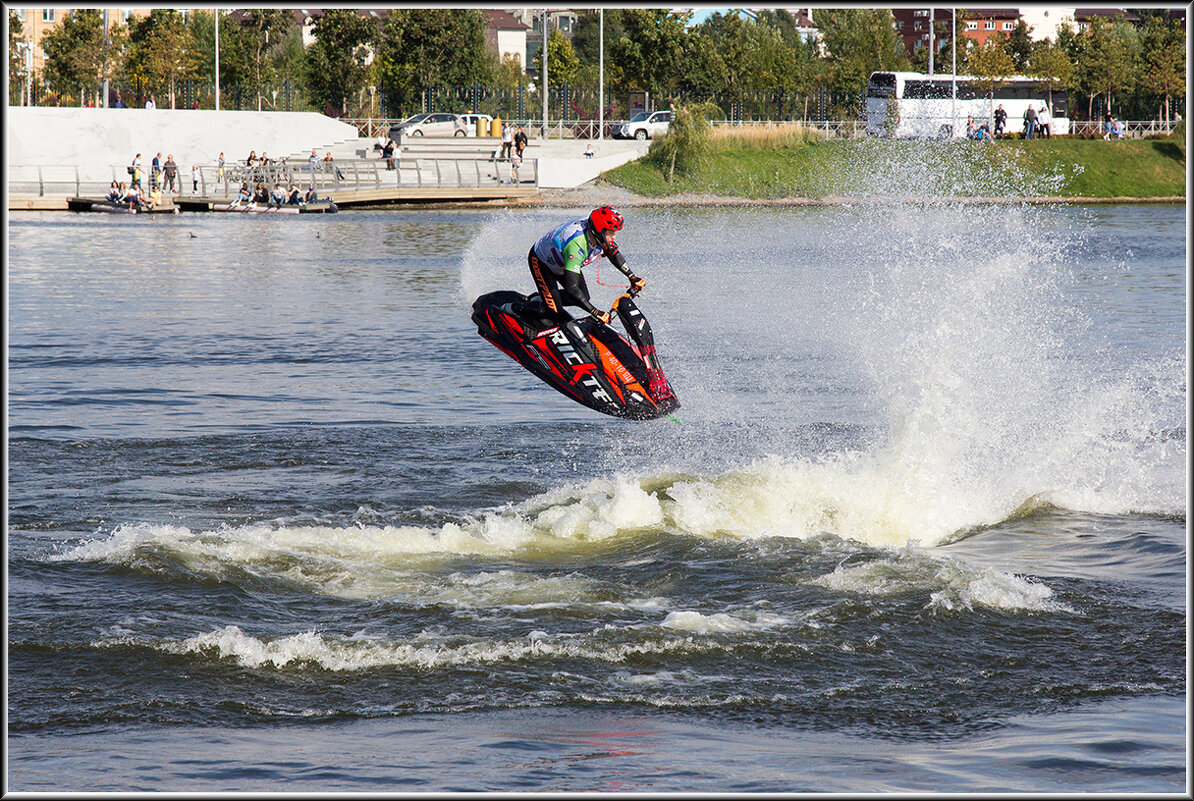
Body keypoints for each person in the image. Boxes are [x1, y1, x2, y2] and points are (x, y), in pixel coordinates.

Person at [522, 206, 644, 326]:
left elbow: (613, 253)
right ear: (600, 232)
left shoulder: (595, 230)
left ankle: (541, 298)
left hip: (564, 262)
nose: (614, 236)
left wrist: (632, 276)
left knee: (584, 297)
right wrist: (595, 312)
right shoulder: (577, 246)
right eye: (611, 232)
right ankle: (515, 308)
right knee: (555, 312)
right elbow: (572, 289)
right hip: (542, 262)